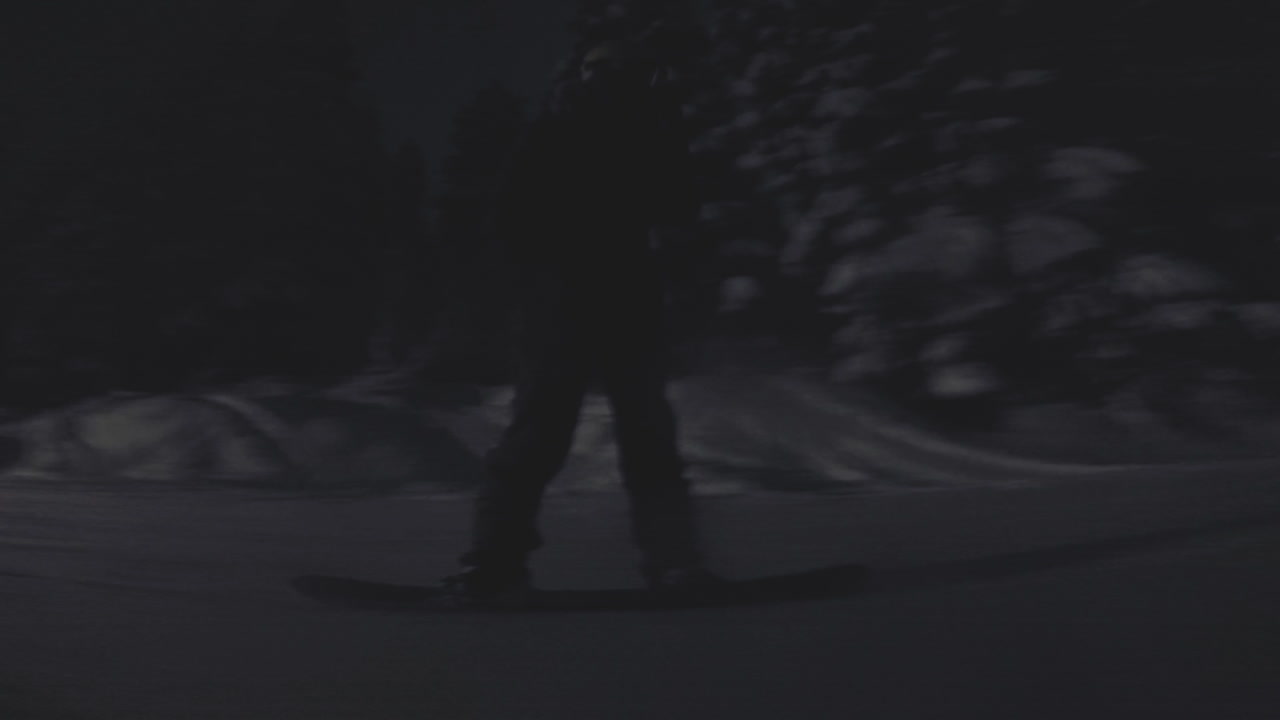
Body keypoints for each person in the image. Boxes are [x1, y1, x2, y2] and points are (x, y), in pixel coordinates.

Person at [440, 33, 719, 607]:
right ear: (593, 75)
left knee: (636, 436)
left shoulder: (645, 132)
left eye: (631, 76)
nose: (620, 86)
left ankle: (670, 563)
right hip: (568, 302)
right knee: (549, 433)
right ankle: (497, 562)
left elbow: (680, 205)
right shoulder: (560, 129)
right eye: (612, 74)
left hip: (614, 303)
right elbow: (512, 217)